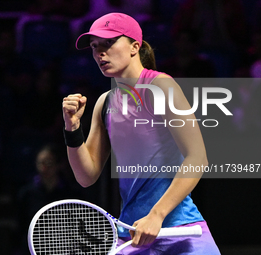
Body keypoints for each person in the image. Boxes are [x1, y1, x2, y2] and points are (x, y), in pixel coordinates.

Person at [62, 13, 220, 254]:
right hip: (132, 235)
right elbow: (86, 176)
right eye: (94, 46)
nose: (99, 53)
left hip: (180, 232)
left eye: (108, 43)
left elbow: (197, 158)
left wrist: (156, 215)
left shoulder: (160, 87)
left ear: (134, 46)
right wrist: (72, 128)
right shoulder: (104, 104)